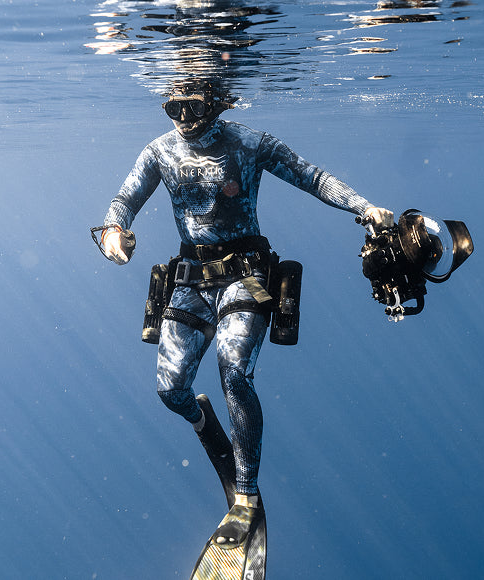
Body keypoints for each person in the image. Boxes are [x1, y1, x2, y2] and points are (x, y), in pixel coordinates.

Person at [98, 80, 393, 548]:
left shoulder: (249, 144)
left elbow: (310, 176)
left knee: (233, 369)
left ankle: (247, 495)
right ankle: (204, 423)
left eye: (192, 107)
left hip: (247, 275)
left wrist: (364, 207)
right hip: (190, 279)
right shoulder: (159, 151)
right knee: (170, 390)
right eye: (172, 107)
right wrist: (113, 232)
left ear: (216, 102)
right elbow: (124, 199)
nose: (182, 119)